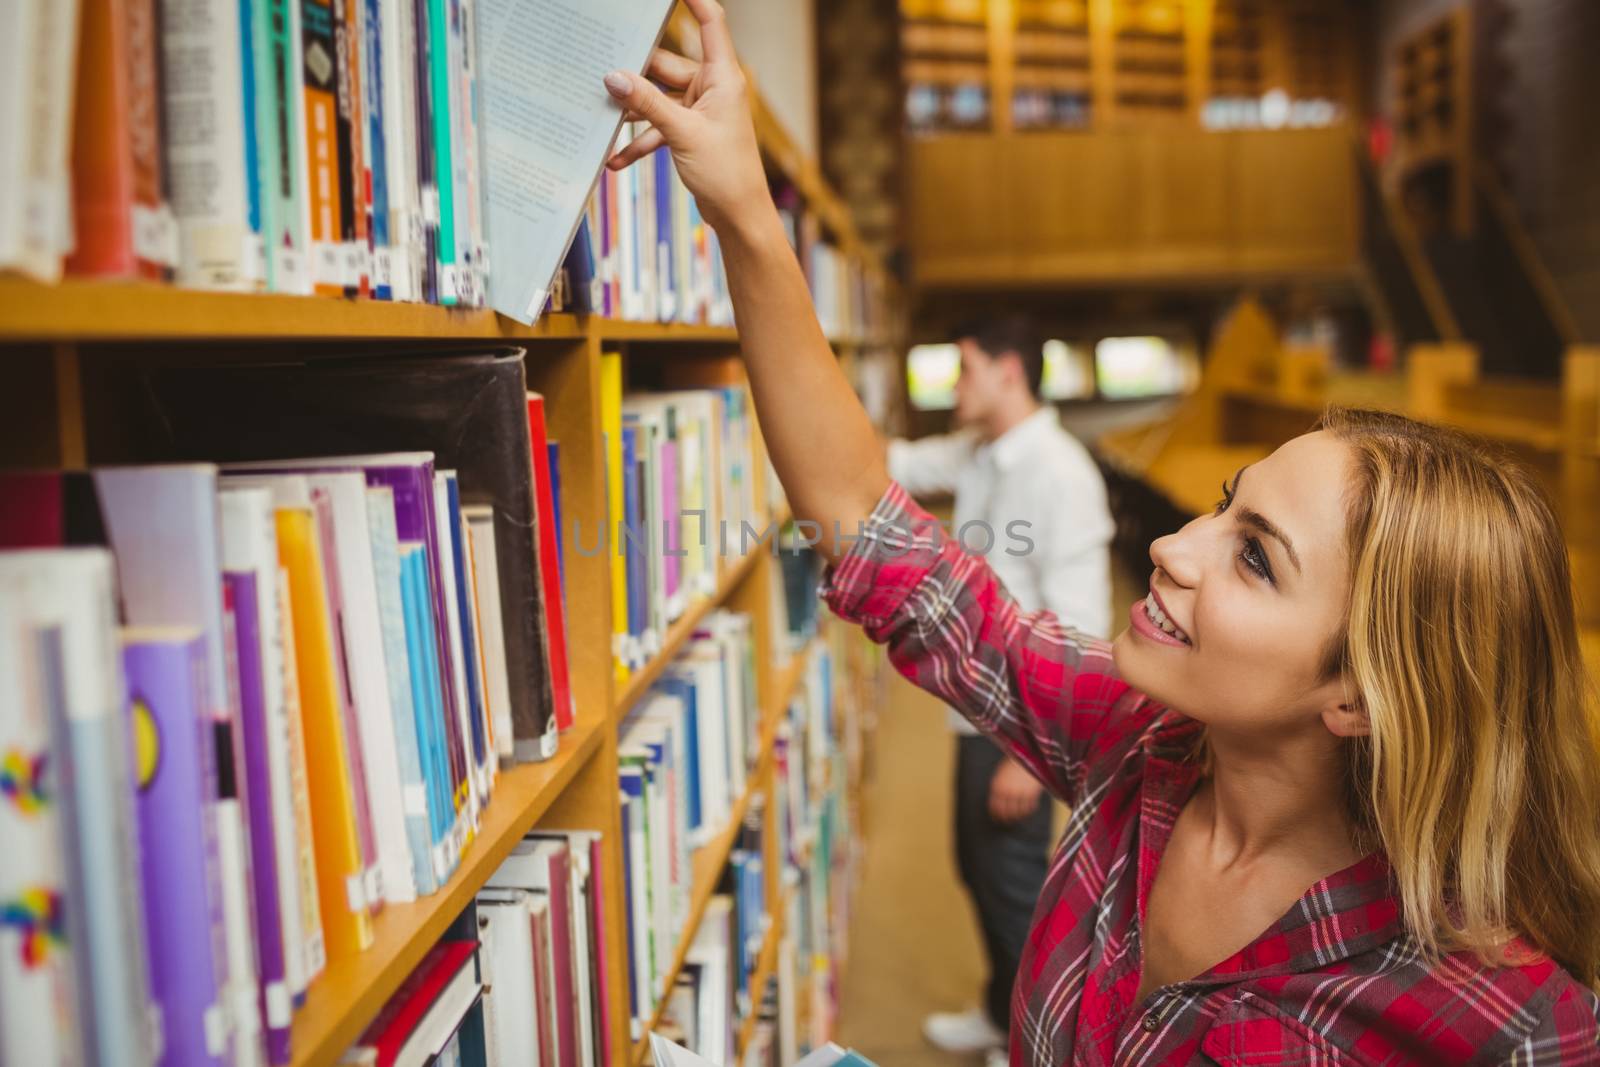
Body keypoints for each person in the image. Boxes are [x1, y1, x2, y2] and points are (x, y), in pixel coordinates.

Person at [601, 5, 1600, 1063]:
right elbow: (880, 540)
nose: (1172, 546)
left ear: (1358, 692)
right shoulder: (1147, 744)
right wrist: (748, 215)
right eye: (1223, 506)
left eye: (1254, 555)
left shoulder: (1502, 1020)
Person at [887, 318, 1113, 1064]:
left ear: (1008, 371)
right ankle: (998, 1009)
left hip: (1020, 723)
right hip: (974, 708)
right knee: (974, 860)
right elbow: (896, 463)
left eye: (965, 370)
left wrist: (1029, 752)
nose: (956, 387)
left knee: (1014, 882)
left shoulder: (1060, 471)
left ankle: (1037, 1044)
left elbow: (1083, 623)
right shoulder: (981, 450)